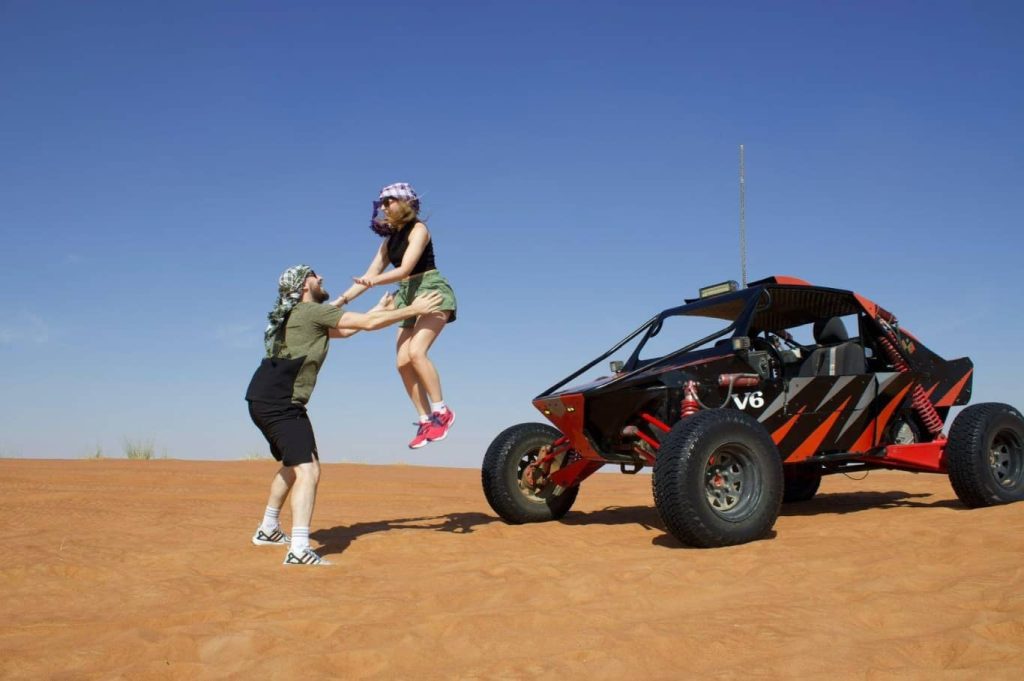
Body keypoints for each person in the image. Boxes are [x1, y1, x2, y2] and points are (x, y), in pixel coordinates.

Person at [246, 264, 443, 566]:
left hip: (265, 397)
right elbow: (365, 324)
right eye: (313, 274)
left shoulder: (299, 316)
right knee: (309, 471)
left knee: (292, 463)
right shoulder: (309, 312)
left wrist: (378, 308)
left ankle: (268, 529)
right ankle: (299, 549)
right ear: (303, 287)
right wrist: (412, 309)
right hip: (281, 401)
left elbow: (348, 330)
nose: (321, 277)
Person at [332, 182, 458, 450]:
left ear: (406, 203)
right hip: (406, 295)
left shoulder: (419, 230)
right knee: (402, 362)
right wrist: (340, 301)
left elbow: (403, 271)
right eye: (383, 202)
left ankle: (442, 410)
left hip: (430, 290)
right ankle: (425, 420)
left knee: (416, 352)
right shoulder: (389, 243)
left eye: (389, 201)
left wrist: (372, 281)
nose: (385, 206)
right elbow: (367, 277)